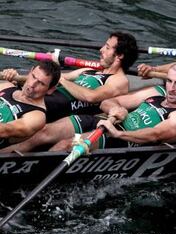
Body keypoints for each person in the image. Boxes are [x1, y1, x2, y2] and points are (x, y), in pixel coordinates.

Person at [0, 31, 138, 153]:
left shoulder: (119, 80)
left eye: (107, 47)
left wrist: (59, 77)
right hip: (46, 97)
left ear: (119, 56)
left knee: (37, 134)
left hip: (64, 110)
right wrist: (18, 78)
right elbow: (49, 80)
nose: (101, 49)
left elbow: (91, 96)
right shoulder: (88, 71)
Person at [51, 62, 176, 151]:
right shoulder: (156, 94)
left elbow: (153, 135)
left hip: (121, 140)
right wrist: (115, 109)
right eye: (169, 81)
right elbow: (108, 102)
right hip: (105, 122)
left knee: (65, 145)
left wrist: (119, 134)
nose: (172, 88)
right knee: (45, 132)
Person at [0, 61, 60, 149]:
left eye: (41, 83)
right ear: (30, 71)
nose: (32, 85)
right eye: (33, 76)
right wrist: (8, 74)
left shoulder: (37, 116)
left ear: (50, 89)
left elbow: (5, 130)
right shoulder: (7, 86)